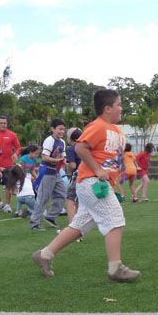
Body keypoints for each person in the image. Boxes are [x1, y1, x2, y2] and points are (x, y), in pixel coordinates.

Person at [32, 89, 140, 283]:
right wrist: (98, 170)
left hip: (97, 184)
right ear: (107, 108)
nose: (121, 108)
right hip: (91, 181)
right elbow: (81, 147)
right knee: (115, 218)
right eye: (118, 104)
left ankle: (44, 254)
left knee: (80, 225)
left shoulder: (116, 130)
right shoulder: (98, 126)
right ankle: (115, 268)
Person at [30, 118, 67, 230]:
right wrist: (58, 161)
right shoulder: (49, 140)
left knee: (62, 195)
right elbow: (45, 157)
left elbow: (62, 157)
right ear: (53, 129)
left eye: (63, 130)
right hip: (46, 172)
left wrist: (67, 163)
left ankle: (50, 216)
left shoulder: (62, 142)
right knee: (43, 198)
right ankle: (34, 222)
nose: (61, 132)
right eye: (59, 129)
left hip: (56, 172)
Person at [0, 116, 21, 213]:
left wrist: (15, 154)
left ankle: (7, 205)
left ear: (7, 124)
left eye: (5, 123)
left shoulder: (12, 135)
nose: (3, 125)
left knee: (8, 185)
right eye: (1, 123)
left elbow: (19, 147)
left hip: (8, 165)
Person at [64, 127, 83, 223]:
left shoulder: (71, 149)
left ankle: (73, 226)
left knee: (70, 201)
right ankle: (80, 223)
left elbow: (73, 165)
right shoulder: (85, 147)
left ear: (70, 138)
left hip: (78, 175)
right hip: (87, 175)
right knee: (78, 201)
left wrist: (65, 163)